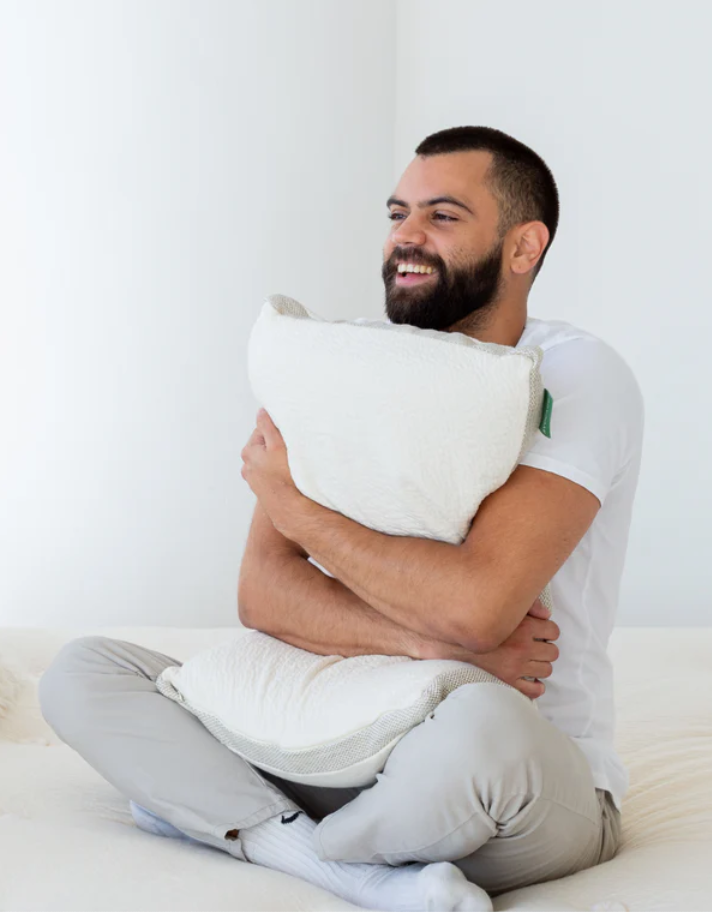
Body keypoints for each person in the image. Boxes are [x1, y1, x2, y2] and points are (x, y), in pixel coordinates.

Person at [39, 125, 644, 912]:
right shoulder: (333, 360)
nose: (406, 238)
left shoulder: (577, 374)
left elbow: (478, 606)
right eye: (398, 214)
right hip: (333, 737)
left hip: (509, 772)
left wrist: (294, 505)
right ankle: (339, 867)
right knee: (84, 673)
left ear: (525, 246)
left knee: (481, 730)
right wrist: (435, 646)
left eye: (443, 216)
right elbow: (263, 594)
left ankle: (234, 820)